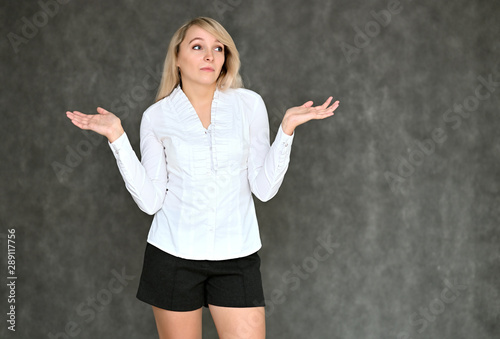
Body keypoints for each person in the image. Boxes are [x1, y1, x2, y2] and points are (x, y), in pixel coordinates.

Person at [66, 16, 339, 339]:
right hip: (172, 257)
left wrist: (287, 129)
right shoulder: (157, 117)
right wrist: (117, 137)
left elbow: (263, 190)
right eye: (198, 47)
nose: (210, 55)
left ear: (226, 58)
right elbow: (151, 201)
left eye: (218, 48)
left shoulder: (249, 105)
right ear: (178, 58)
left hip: (237, 257)